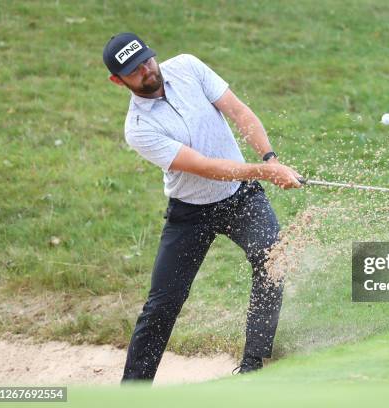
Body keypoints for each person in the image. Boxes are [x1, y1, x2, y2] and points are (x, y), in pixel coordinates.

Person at [102, 32, 302, 382]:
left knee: (273, 259)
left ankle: (254, 369)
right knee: (163, 304)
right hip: (190, 212)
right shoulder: (139, 128)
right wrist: (266, 172)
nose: (148, 71)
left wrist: (270, 157)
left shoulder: (187, 67)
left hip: (241, 196)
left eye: (147, 61)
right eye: (135, 71)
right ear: (117, 81)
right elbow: (205, 166)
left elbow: (238, 111)